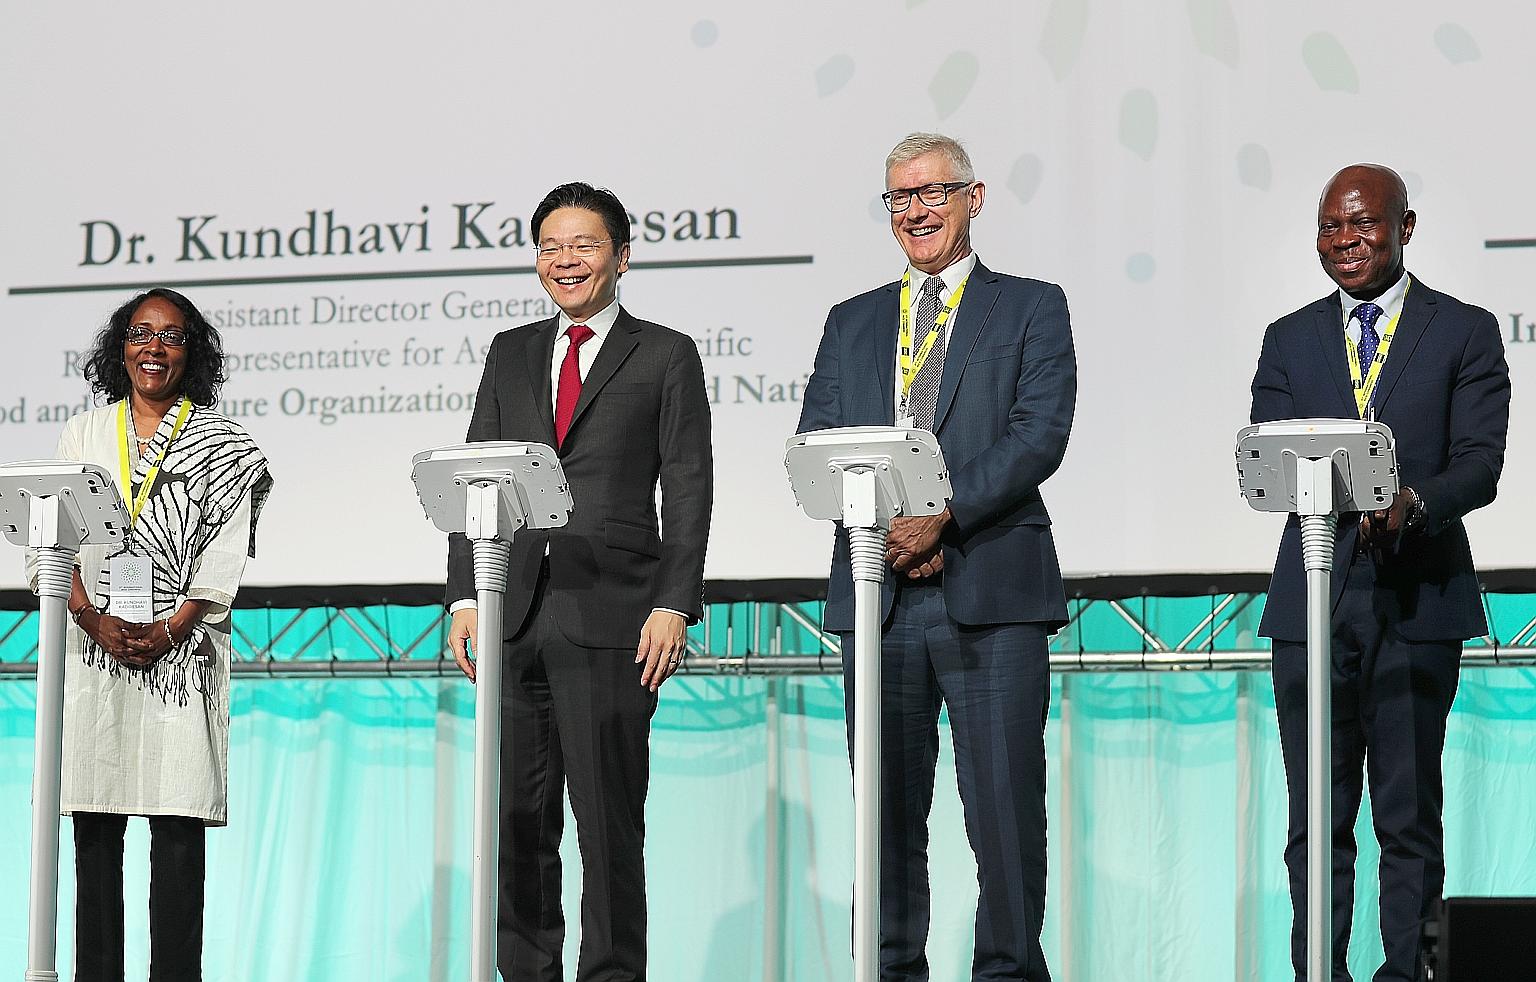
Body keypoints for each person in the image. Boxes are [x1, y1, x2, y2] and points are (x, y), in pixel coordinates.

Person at [797, 132, 1076, 982]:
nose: (915, 211)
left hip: (990, 588)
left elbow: (1040, 434)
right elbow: (818, 439)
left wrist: (942, 515)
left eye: (932, 193)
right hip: (878, 596)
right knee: (883, 822)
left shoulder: (1030, 305)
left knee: (1003, 817)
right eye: (899, 198)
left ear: (974, 197)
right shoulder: (852, 320)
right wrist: (888, 524)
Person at [445, 182, 713, 982]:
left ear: (621, 257)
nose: (567, 261)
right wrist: (464, 594)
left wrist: (674, 602)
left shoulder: (664, 353)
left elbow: (690, 484)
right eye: (552, 247)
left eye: (585, 245)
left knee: (606, 830)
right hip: (514, 613)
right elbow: (475, 477)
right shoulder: (511, 351)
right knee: (518, 826)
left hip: (617, 618)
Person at [1250, 164, 1511, 981]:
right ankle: (1317, 974)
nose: (1345, 241)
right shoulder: (1289, 338)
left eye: (1362, 224)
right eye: (1330, 227)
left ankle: (1408, 973)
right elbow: (1265, 446)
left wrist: (1415, 502)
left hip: (1417, 597)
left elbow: (1481, 465)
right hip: (1313, 603)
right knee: (1314, 820)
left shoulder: (1463, 330)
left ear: (1406, 225)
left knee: (1407, 816)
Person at [27, 288, 273, 981]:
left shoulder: (225, 444)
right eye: (140, 333)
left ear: (192, 352)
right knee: (96, 834)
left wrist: (172, 626)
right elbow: (52, 538)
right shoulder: (81, 434)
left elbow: (224, 553)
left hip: (180, 655)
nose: (153, 348)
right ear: (121, 348)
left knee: (176, 831)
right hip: (92, 648)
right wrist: (87, 615)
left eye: (171, 336)